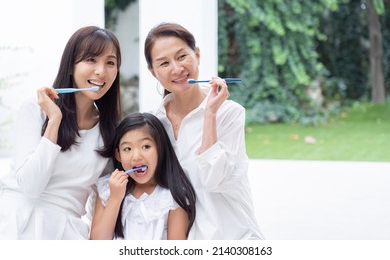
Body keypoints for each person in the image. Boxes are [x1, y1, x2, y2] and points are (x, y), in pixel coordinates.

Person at [143, 22, 264, 240]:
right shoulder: (154, 123)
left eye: (181, 57)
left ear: (197, 55)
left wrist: (210, 114)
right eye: (164, 63)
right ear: (153, 72)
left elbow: (213, 179)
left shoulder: (229, 113)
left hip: (234, 239)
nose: (176, 69)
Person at [0, 26, 122, 239]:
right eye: (91, 60)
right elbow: (30, 186)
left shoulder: (110, 133)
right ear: (71, 66)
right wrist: (54, 121)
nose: (101, 71)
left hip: (67, 232)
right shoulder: (34, 110)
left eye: (110, 63)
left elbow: (103, 200)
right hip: (16, 225)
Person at [90, 112, 196, 240]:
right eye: (127, 149)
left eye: (146, 146)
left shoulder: (173, 196)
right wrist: (115, 198)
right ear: (118, 155)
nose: (136, 156)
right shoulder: (107, 188)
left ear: (160, 148)